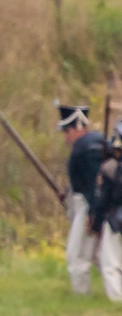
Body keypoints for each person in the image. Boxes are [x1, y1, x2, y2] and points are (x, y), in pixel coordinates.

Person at [60, 104, 121, 302]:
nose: (65, 137)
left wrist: (93, 214)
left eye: (67, 131)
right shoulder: (90, 146)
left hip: (88, 206)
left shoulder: (87, 149)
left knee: (77, 255)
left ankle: (82, 296)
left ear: (78, 127)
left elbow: (96, 184)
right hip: (88, 204)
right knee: (98, 255)